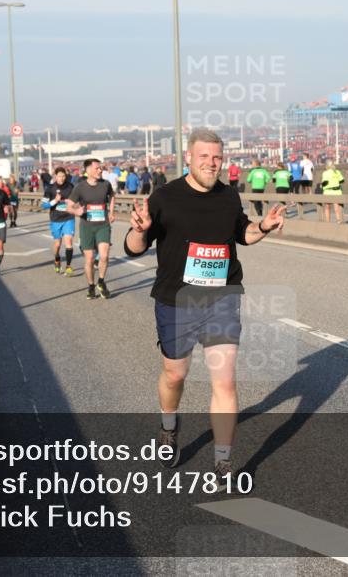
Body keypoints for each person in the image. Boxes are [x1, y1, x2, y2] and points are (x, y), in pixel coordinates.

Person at [123, 129, 286, 482]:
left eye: (217, 158)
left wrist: (265, 226)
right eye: (204, 157)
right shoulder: (164, 197)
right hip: (176, 301)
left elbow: (243, 233)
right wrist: (138, 230)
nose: (212, 164)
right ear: (188, 158)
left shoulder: (228, 197)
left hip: (221, 298)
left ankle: (223, 462)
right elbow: (134, 247)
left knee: (224, 382)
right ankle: (169, 424)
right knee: (175, 374)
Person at [67, 158, 116, 299]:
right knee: (89, 258)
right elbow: (69, 205)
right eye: (97, 168)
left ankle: (101, 281)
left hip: (103, 225)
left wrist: (111, 212)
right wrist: (77, 212)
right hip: (87, 227)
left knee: (104, 255)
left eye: (101, 168)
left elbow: (112, 196)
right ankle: (91, 286)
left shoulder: (105, 184)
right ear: (88, 170)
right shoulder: (80, 187)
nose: (100, 170)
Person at [44, 167, 76, 275]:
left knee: (69, 241)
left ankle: (68, 266)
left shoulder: (71, 187)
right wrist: (55, 201)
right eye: (59, 176)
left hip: (68, 217)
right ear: (55, 176)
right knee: (57, 244)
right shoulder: (50, 188)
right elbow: (43, 205)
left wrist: (71, 202)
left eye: (63, 176)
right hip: (55, 219)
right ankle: (57, 259)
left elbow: (77, 200)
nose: (61, 178)